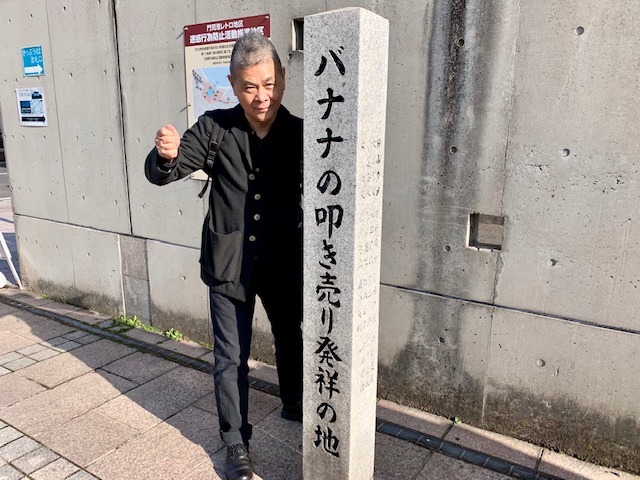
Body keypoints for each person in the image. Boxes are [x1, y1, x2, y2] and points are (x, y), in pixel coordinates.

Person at [145, 32, 303, 480]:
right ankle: (235, 442)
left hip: (283, 260)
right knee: (231, 358)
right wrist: (165, 156)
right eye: (250, 86)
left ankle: (295, 402)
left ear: (283, 78)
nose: (262, 96)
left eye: (269, 84)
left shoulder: (302, 134)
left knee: (291, 336)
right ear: (233, 84)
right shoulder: (214, 127)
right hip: (229, 264)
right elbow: (165, 172)